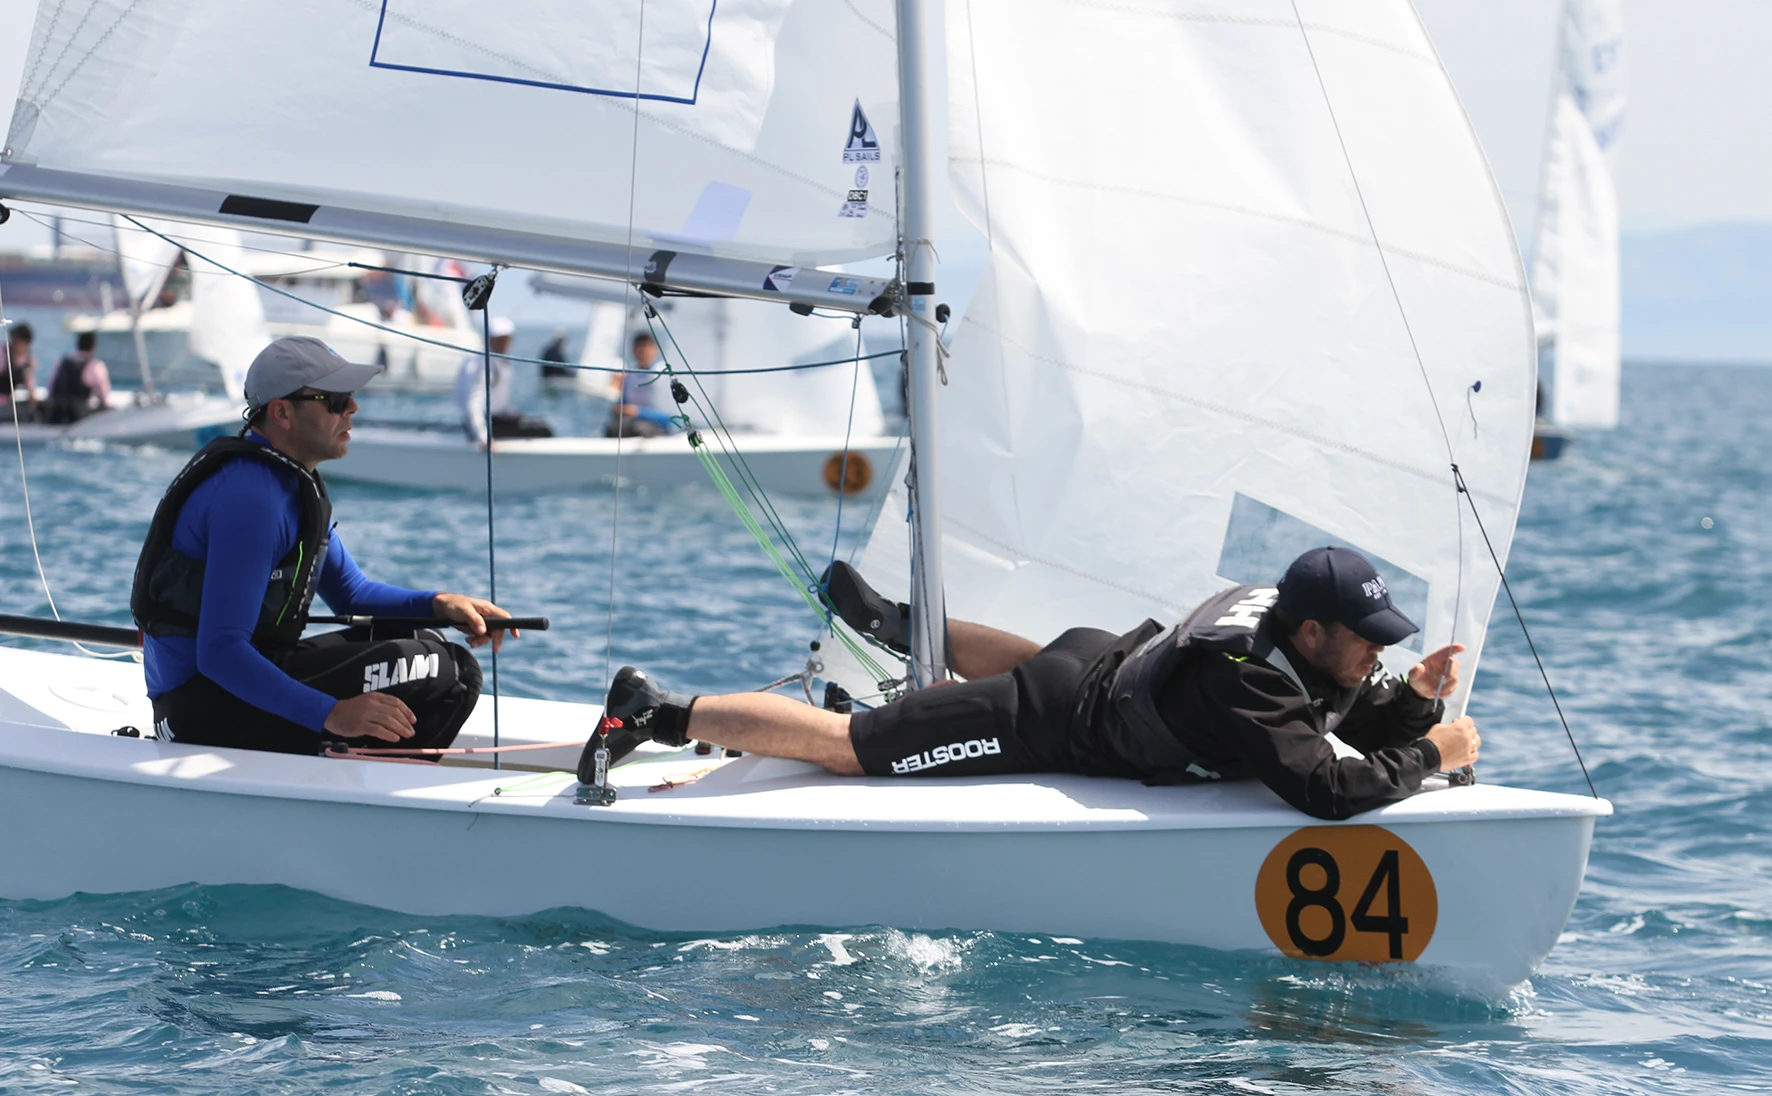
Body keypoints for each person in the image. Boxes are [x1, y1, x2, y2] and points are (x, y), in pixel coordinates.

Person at [597, 547, 1482, 821]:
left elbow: (1352, 719)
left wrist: (1412, 703)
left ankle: (897, 624)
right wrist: (1430, 753)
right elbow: (1326, 790)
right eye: (1368, 639)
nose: (1377, 653)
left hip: (1098, 660)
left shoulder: (1285, 622)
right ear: (1313, 631)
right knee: (848, 747)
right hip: (1049, 715)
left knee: (1040, 660)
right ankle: (659, 711)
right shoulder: (1249, 677)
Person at [133, 335, 519, 755]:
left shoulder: (286, 481)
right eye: (334, 400)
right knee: (449, 670)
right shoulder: (251, 497)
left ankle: (351, 766)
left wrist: (442, 604)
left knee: (424, 637)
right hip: (197, 708)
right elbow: (220, 653)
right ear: (282, 412)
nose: (352, 407)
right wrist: (331, 713)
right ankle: (365, 784)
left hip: (234, 683)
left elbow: (353, 594)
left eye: (350, 396)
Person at [455, 316, 553, 446]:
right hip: (486, 423)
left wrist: (511, 414)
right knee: (543, 430)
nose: (502, 343)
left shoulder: (498, 361)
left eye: (505, 339)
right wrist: (483, 437)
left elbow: (497, 403)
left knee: (539, 423)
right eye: (498, 339)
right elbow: (473, 403)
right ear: (490, 339)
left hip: (495, 419)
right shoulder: (482, 363)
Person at [603, 332, 678, 438]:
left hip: (657, 426)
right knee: (611, 428)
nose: (642, 351)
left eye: (646, 346)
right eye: (638, 347)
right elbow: (620, 405)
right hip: (631, 423)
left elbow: (671, 416)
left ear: (655, 349)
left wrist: (638, 412)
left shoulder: (663, 374)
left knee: (639, 428)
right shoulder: (629, 376)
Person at [44, 331, 112, 424]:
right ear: (93, 347)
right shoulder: (95, 366)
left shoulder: (63, 363)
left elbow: (51, 388)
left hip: (57, 414)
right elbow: (103, 398)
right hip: (78, 417)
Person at [3, 321, 39, 421]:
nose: (14, 343)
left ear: (27, 342)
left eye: (17, 340)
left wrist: (32, 396)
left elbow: (28, 381)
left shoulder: (29, 361)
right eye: (13, 339)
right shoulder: (2, 355)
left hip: (6, 402)